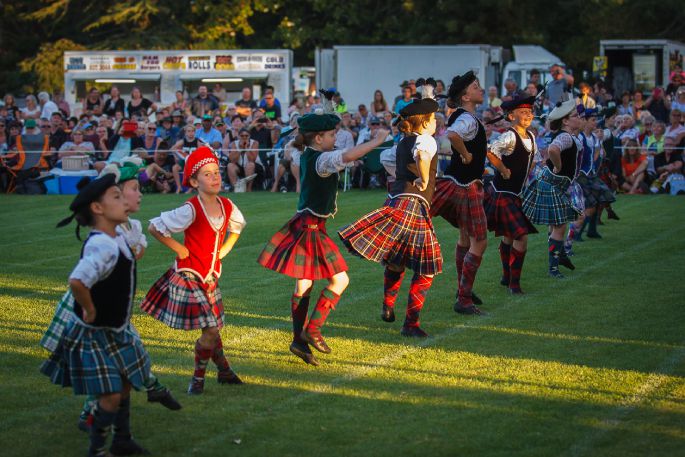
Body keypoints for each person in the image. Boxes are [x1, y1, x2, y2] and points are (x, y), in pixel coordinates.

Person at [257, 113, 390, 364]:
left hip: (305, 224)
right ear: (318, 138)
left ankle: (298, 341)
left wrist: (327, 108)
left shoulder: (306, 152)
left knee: (304, 284)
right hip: (311, 228)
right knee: (340, 280)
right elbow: (349, 155)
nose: (335, 138)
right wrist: (378, 140)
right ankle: (313, 329)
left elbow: (298, 147)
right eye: (330, 135)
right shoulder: (322, 159)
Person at [41, 173, 154, 456]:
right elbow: (78, 280)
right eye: (117, 197)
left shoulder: (115, 237)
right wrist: (90, 309)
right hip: (97, 332)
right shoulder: (102, 244)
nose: (124, 201)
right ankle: (98, 448)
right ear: (98, 208)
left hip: (115, 328)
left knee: (126, 380)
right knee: (111, 392)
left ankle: (122, 439)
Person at [142, 146, 246, 394]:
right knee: (210, 328)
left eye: (216, 172)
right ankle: (197, 379)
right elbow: (155, 227)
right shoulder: (191, 208)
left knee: (212, 329)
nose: (215, 177)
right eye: (207, 174)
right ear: (193, 181)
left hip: (211, 276)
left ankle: (224, 371)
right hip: (189, 276)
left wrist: (225, 250)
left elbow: (238, 227)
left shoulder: (227, 205)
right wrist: (178, 248)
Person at [339, 94, 442, 338]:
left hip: (396, 201)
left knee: (397, 259)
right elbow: (422, 156)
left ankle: (388, 305)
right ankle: (411, 324)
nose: (437, 123)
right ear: (426, 123)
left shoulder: (400, 145)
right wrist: (424, 178)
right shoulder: (426, 140)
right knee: (427, 268)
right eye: (434, 119)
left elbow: (391, 164)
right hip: (413, 206)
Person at [430, 71, 488, 315]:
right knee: (480, 241)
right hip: (466, 186)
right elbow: (452, 136)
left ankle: (462, 290)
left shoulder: (466, 117)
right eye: (476, 87)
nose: (481, 90)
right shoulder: (467, 120)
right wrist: (465, 154)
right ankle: (463, 298)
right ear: (466, 96)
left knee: (465, 239)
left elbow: (453, 134)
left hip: (458, 182)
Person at [482, 95, 539, 294]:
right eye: (523, 112)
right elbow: (490, 151)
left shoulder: (531, 137)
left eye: (530, 112)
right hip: (503, 193)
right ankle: (514, 284)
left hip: (517, 194)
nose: (528, 115)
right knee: (520, 236)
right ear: (512, 116)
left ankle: (507, 276)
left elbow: (532, 160)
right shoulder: (509, 136)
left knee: (508, 236)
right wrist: (504, 170)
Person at [521, 98, 582, 278]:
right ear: (565, 121)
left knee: (556, 223)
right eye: (576, 116)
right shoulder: (564, 136)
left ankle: (559, 258)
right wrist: (558, 166)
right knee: (560, 224)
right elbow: (554, 150)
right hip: (552, 182)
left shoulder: (569, 136)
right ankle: (554, 268)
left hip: (554, 183)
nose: (579, 118)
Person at [226, 128, 262, 192]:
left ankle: (248, 188)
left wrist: (246, 148)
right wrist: (240, 149)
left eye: (246, 136)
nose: (244, 137)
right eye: (242, 136)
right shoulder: (234, 143)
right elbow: (232, 160)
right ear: (238, 136)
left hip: (255, 166)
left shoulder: (255, 143)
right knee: (230, 165)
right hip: (240, 166)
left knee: (250, 165)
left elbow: (252, 159)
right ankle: (235, 188)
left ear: (249, 136)